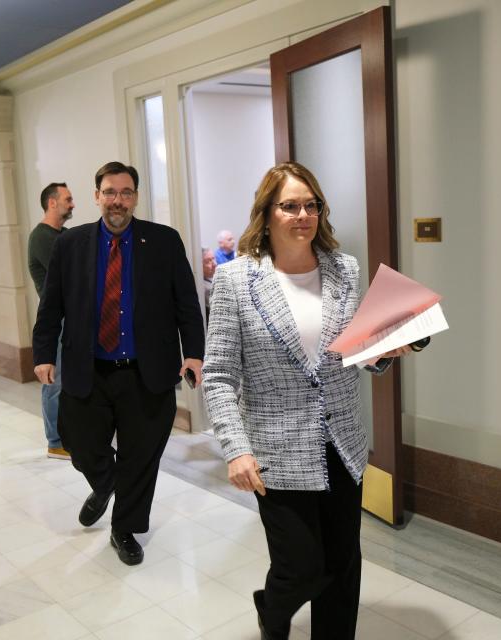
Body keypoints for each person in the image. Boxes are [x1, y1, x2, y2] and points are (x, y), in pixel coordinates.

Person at [202, 162, 417, 639]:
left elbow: (352, 353)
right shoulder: (236, 281)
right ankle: (272, 610)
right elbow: (217, 375)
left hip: (342, 441)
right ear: (267, 213)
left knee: (342, 567)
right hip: (276, 452)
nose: (303, 214)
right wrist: (236, 449)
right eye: (290, 205)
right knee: (301, 566)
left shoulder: (345, 270)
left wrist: (383, 353)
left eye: (311, 205)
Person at [32, 161, 205, 566]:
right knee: (76, 440)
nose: (118, 200)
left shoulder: (163, 241)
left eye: (126, 193)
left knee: (141, 455)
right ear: (97, 196)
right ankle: (107, 483)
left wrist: (193, 352)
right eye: (110, 192)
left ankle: (123, 529)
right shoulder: (70, 245)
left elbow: (185, 301)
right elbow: (51, 304)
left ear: (136, 198)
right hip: (88, 367)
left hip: (146, 372)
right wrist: (42, 353)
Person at [28, 182, 75, 460]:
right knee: (54, 382)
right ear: (52, 202)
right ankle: (55, 441)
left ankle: (69, 433)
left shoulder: (66, 235)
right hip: (55, 322)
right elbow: (70, 274)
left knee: (70, 380)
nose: (72, 204)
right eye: (68, 199)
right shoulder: (41, 238)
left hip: (72, 319)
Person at [202, 247, 216, 322]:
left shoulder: (213, 277)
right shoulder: (204, 288)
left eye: (213, 259)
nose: (214, 263)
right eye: (208, 261)